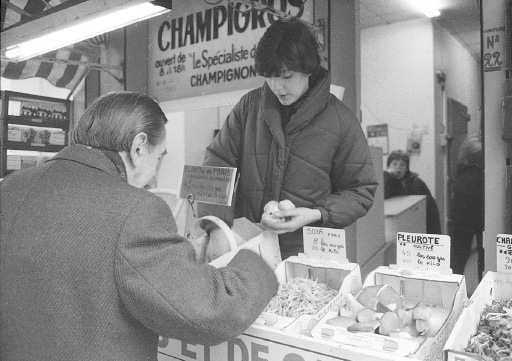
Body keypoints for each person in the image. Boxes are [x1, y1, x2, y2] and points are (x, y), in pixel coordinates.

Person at [0, 91, 278, 361]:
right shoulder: (135, 209)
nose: (156, 171)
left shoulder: (12, 186)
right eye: (160, 157)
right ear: (138, 147)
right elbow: (209, 311)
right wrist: (257, 264)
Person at [201, 17, 378, 260]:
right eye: (270, 76)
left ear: (309, 68)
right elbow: (215, 164)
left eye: (286, 76)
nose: (277, 87)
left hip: (306, 256)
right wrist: (217, 227)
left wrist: (316, 213)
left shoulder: (342, 121)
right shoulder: (249, 108)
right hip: (249, 249)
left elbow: (361, 191)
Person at [449, 133, 484, 276]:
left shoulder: (472, 142)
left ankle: (456, 288)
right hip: (468, 203)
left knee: (461, 252)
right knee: (462, 251)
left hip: (466, 204)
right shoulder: (474, 143)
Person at [383, 149, 441, 234]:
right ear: (388, 167)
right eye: (394, 164)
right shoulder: (387, 183)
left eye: (402, 165)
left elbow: (431, 210)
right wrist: (388, 175)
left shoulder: (416, 183)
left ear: (407, 168)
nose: (398, 167)